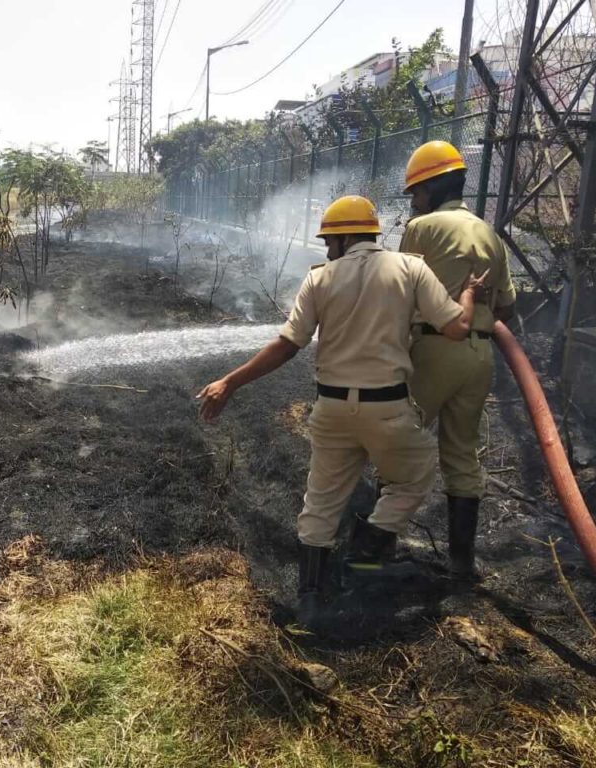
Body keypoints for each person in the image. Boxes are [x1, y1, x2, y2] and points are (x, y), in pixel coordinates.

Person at [196, 195, 486, 624]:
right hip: (387, 409)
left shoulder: (321, 278)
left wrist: (229, 382)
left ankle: (309, 600)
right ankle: (364, 556)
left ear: (346, 236)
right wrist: (468, 294)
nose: (329, 249)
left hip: (331, 409)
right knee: (413, 478)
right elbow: (457, 329)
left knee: (321, 503)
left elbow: (287, 346)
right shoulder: (410, 268)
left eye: (330, 240)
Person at [400, 140, 517, 579]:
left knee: (399, 438)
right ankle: (462, 563)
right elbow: (507, 307)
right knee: (462, 455)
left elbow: (400, 288)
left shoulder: (422, 227)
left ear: (431, 187)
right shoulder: (489, 233)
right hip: (479, 354)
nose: (413, 201)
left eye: (416, 192)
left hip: (434, 348)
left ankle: (375, 545)